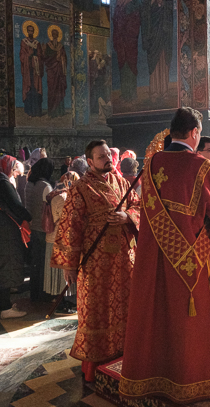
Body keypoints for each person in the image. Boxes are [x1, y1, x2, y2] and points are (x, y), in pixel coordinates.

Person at [120, 108, 210, 403]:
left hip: (153, 255)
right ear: (195, 132)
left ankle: (153, 375)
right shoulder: (202, 167)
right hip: (193, 260)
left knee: (157, 314)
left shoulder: (151, 163)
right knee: (188, 320)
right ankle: (191, 379)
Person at [53, 142, 139, 380]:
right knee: (97, 310)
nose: (107, 160)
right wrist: (69, 265)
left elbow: (138, 205)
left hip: (124, 258)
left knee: (125, 306)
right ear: (89, 162)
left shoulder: (121, 182)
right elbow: (70, 227)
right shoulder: (80, 188)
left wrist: (128, 216)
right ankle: (94, 366)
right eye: (101, 157)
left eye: (108, 156)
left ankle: (122, 356)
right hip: (95, 262)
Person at [0, 156, 32, 319]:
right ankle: (5, 307)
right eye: (15, 171)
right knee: (4, 266)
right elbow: (15, 205)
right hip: (4, 232)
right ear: (8, 167)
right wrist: (28, 217)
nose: (16, 175)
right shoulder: (1, 182)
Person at [44, 171, 77, 314]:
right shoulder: (64, 198)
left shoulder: (55, 194)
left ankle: (58, 300)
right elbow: (67, 220)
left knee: (55, 273)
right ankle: (61, 304)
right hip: (60, 238)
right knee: (60, 274)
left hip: (53, 238)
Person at [24, 158, 54, 305]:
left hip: (32, 227)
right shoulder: (46, 186)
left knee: (35, 262)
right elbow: (49, 210)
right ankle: (43, 293)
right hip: (43, 229)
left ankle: (34, 292)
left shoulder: (29, 184)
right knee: (44, 262)